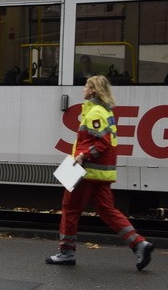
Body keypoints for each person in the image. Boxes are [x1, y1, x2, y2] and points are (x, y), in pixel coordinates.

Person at [46, 75, 154, 270]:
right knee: (107, 209)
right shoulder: (104, 111)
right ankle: (139, 244)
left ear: (93, 90)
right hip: (100, 173)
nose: (83, 89)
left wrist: (83, 156)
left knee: (70, 208)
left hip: (87, 170)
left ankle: (66, 252)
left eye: (86, 86)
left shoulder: (95, 112)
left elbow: (102, 142)